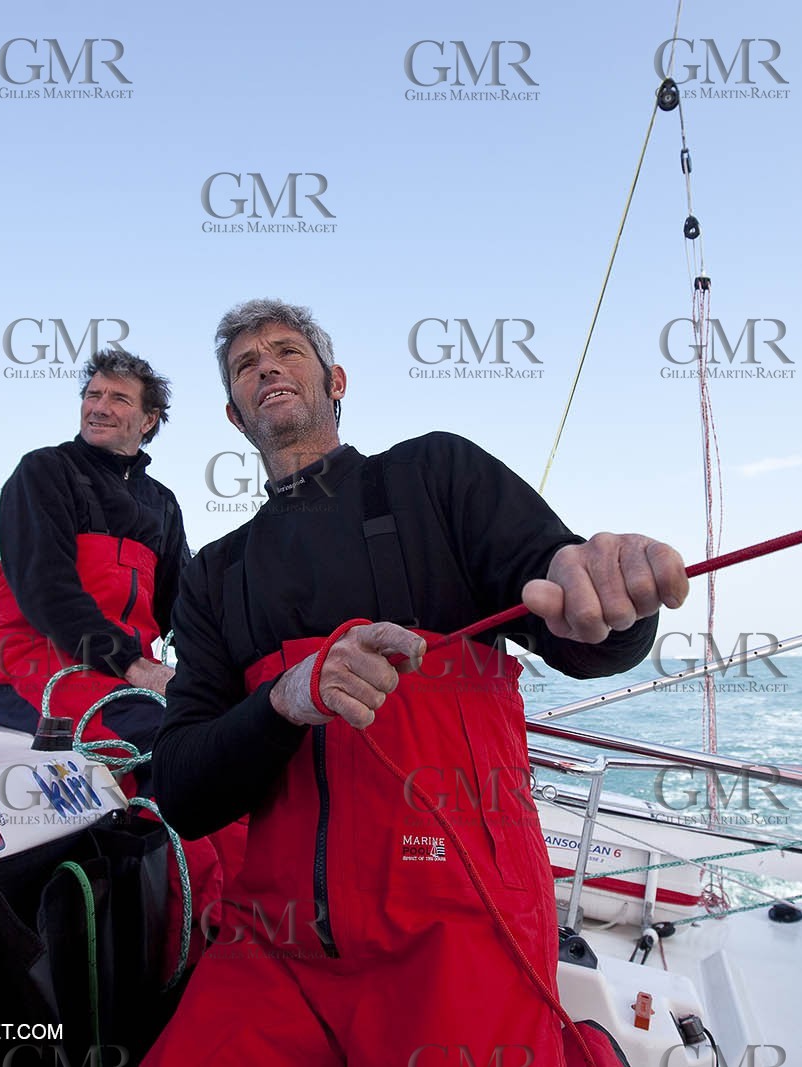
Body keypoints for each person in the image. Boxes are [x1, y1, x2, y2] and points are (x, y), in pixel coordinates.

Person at [147, 299, 689, 1066]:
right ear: (235, 416)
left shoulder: (438, 475)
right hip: (275, 945)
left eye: (287, 350)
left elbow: (572, 616)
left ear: (336, 381)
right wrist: (281, 701)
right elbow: (182, 790)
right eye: (245, 364)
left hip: (463, 927)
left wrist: (606, 597)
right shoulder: (212, 574)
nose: (266, 365)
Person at [0, 347, 188, 795]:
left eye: (118, 398)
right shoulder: (44, 471)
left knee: (216, 733)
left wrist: (215, 674)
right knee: (165, 745)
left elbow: (183, 608)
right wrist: (134, 666)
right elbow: (46, 591)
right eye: (93, 395)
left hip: (124, 672)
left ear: (149, 420)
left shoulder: (163, 503)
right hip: (36, 664)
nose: (99, 407)